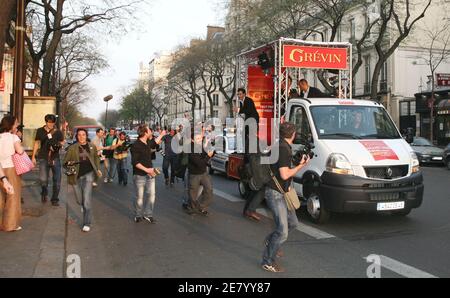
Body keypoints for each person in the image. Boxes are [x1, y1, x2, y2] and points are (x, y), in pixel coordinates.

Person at [261, 122, 310, 273]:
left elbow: (281, 169)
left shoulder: (282, 145)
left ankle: (271, 240)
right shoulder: (283, 149)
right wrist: (302, 165)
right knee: (282, 231)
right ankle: (267, 261)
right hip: (275, 193)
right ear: (293, 134)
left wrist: (296, 162)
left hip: (281, 192)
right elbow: (284, 174)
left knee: (293, 223)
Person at [64, 128, 102, 233]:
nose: (81, 137)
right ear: (77, 136)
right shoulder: (72, 148)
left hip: (89, 174)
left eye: (83, 135)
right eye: (79, 135)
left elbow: (96, 158)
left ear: (86, 136)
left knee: (87, 200)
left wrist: (97, 169)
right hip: (76, 176)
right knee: (79, 199)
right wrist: (70, 163)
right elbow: (65, 162)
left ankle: (87, 223)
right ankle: (82, 205)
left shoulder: (92, 146)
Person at [130, 125, 165, 223]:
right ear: (145, 132)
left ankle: (148, 214)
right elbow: (135, 162)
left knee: (151, 195)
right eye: (149, 130)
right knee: (139, 197)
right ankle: (138, 214)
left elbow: (155, 142)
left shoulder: (147, 142)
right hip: (139, 175)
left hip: (150, 174)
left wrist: (162, 134)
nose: (151, 131)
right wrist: (147, 170)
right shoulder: (136, 145)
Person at [31, 114, 64, 206]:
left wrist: (57, 147)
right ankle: (44, 192)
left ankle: (54, 199)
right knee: (43, 179)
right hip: (43, 157)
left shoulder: (58, 132)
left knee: (57, 180)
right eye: (49, 122)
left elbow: (62, 142)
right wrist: (33, 157)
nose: (51, 124)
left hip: (55, 158)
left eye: (53, 122)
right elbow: (37, 143)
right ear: (46, 121)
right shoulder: (40, 131)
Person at [0, 116, 25, 232]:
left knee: (0, 197)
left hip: (0, 168)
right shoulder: (14, 137)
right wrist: (20, 142)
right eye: (15, 123)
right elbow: (19, 151)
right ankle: (10, 225)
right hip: (11, 168)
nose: (17, 125)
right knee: (12, 197)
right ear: (11, 125)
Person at [186, 129, 215, 216]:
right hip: (194, 174)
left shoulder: (200, 146)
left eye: (200, 138)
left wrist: (212, 151)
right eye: (197, 139)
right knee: (193, 194)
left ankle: (201, 207)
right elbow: (199, 163)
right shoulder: (190, 149)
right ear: (192, 140)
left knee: (209, 190)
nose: (199, 140)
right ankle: (192, 208)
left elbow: (207, 155)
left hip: (203, 173)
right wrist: (208, 156)